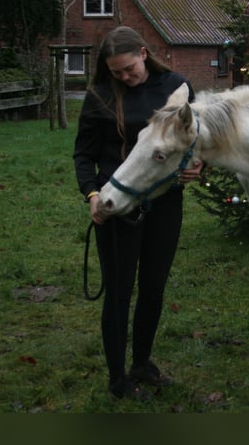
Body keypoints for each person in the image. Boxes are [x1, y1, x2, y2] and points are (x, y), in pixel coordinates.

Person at [73, 26, 203, 399]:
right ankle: (118, 380)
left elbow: (191, 139)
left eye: (128, 69)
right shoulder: (99, 96)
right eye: (116, 72)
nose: (124, 78)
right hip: (116, 206)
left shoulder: (176, 87)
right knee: (118, 292)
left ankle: (142, 364)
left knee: (153, 288)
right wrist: (92, 194)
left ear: (144, 54)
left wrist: (199, 167)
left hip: (165, 203)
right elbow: (83, 155)